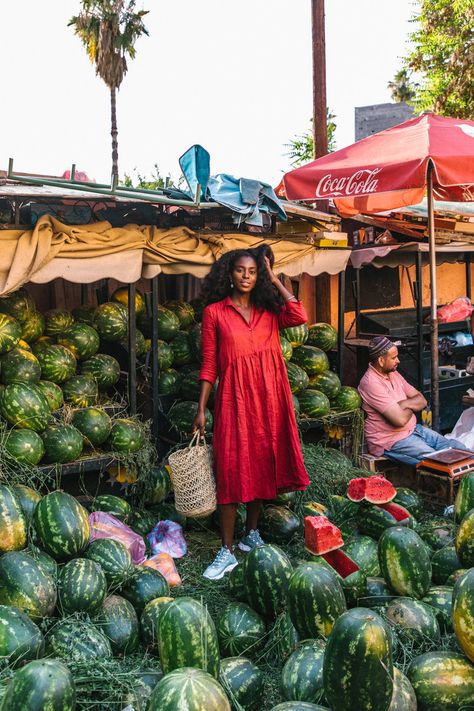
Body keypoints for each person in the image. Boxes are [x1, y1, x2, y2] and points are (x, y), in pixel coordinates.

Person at [192, 245, 309, 580]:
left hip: (270, 396)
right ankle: (226, 550)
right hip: (233, 397)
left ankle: (251, 534)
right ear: (229, 274)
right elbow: (210, 363)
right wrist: (201, 408)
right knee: (230, 468)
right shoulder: (215, 312)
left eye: (253, 271)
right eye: (240, 270)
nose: (246, 276)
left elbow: (299, 315)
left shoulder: (269, 309)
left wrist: (274, 277)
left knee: (260, 464)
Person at [358, 335, 467, 466]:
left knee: (460, 450)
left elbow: (422, 400)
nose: (398, 361)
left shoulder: (394, 373)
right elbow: (400, 420)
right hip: (391, 441)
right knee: (439, 460)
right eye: (394, 358)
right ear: (381, 360)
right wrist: (412, 405)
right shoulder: (371, 383)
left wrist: (403, 404)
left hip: (414, 430)